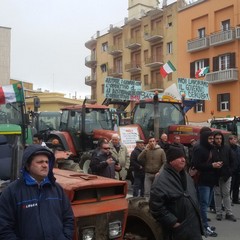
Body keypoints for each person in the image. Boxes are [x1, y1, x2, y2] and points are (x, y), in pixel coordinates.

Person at [0, 144, 74, 239]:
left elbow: (68, 218)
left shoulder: (57, 189)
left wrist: (66, 237)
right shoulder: (12, 192)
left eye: (47, 162)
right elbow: (4, 227)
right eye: (40, 162)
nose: (45, 165)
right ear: (27, 165)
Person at [149, 146, 203, 240]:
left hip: (193, 226)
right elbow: (156, 207)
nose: (183, 160)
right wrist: (173, 222)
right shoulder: (161, 180)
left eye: (184, 157)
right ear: (171, 161)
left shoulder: (185, 175)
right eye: (179, 157)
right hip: (179, 230)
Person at [192, 130, 219, 237]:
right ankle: (204, 226)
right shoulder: (199, 149)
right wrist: (212, 166)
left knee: (204, 204)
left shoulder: (211, 148)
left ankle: (201, 224)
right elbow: (197, 165)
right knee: (203, 204)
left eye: (213, 138)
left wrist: (217, 164)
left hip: (211, 180)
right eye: (210, 139)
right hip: (203, 181)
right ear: (204, 138)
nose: (212, 141)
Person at [212, 131, 237, 222]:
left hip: (226, 175)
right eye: (217, 138)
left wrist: (230, 172)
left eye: (220, 138)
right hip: (215, 175)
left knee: (226, 194)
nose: (219, 140)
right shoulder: (211, 149)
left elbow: (234, 161)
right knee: (217, 194)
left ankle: (229, 213)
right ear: (214, 139)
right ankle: (218, 212)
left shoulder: (227, 148)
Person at [229, 135, 240, 204]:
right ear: (230, 140)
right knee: (230, 186)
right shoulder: (228, 148)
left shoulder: (238, 148)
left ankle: (235, 199)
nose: (235, 141)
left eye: (236, 139)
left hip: (238, 170)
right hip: (231, 170)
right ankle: (228, 201)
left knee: (236, 186)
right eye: (234, 139)